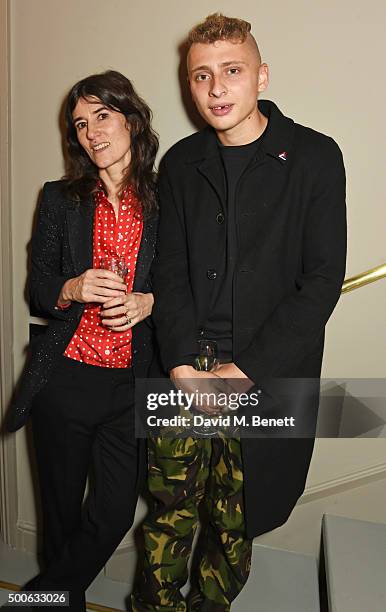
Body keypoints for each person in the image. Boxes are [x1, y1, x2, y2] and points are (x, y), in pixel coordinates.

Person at [131, 13, 346, 612]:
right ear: (188, 84)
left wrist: (244, 371)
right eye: (201, 75)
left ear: (261, 77)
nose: (216, 87)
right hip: (182, 369)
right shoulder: (179, 163)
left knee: (237, 524)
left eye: (232, 71)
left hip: (268, 374)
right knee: (167, 513)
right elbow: (167, 274)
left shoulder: (316, 158)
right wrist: (176, 363)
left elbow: (321, 282)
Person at [7, 70, 158, 611]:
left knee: (114, 512)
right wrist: (72, 286)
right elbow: (39, 288)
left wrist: (149, 302)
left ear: (131, 119)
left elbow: (185, 286)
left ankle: (34, 602)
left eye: (102, 115)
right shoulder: (60, 199)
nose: (91, 132)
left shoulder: (169, 200)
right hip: (65, 381)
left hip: (130, 385)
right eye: (80, 123)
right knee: (61, 515)